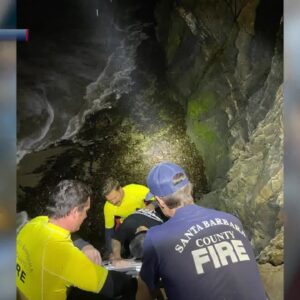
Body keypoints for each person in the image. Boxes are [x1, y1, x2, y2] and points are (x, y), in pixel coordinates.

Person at [136, 162, 267, 300]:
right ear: (190, 189)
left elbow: (145, 292)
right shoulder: (232, 220)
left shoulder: (156, 238)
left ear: (160, 201)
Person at [16, 180, 136, 300]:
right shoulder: (64, 255)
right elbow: (113, 284)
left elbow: (64, 233)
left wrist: (84, 246)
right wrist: (138, 279)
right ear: (74, 212)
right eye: (85, 211)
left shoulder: (34, 223)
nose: (86, 216)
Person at [102, 177, 150, 255]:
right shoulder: (108, 207)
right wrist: (111, 252)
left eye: (115, 197)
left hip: (146, 219)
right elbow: (109, 231)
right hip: (129, 227)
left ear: (120, 189)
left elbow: (157, 198)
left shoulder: (135, 190)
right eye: (110, 200)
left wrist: (151, 206)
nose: (114, 202)